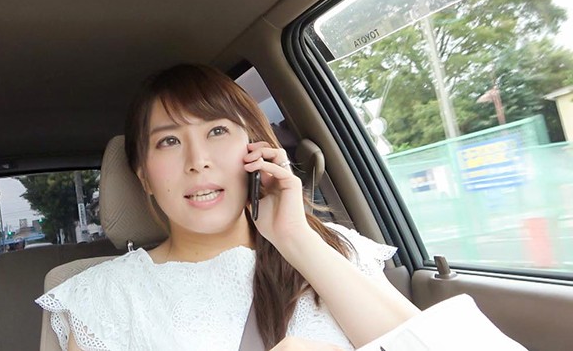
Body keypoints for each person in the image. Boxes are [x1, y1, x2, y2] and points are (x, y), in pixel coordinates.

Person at [36, 64, 419, 350]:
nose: (198, 160)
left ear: (257, 149)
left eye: (217, 131)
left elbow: (423, 343)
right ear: (145, 178)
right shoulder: (103, 297)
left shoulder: (332, 248)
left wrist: (295, 238)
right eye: (169, 141)